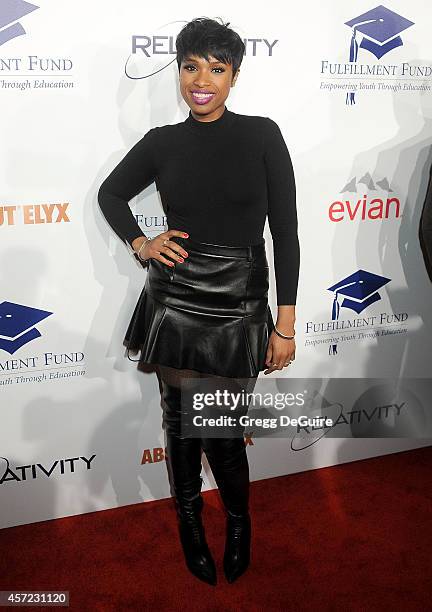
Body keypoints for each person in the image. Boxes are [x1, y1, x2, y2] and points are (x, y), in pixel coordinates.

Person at [98, 17, 300, 586]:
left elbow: (285, 232)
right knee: (182, 425)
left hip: (239, 300)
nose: (201, 80)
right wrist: (142, 242)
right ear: (180, 73)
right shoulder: (163, 142)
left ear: (234, 75)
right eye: (191, 67)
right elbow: (110, 193)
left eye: (216, 68)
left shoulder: (263, 134)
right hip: (177, 295)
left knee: (221, 428)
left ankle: (238, 523)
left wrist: (283, 324)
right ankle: (190, 521)